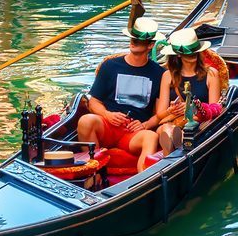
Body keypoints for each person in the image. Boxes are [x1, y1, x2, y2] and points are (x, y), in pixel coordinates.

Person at [75, 16, 178, 166]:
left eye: (138, 40)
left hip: (133, 132)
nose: (133, 42)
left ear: (150, 45)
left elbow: (158, 113)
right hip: (108, 126)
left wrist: (144, 125)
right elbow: (94, 102)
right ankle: (94, 171)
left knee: (150, 137)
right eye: (132, 38)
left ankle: (144, 180)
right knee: (86, 120)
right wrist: (107, 115)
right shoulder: (110, 66)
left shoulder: (158, 74)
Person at [156, 29, 228, 155]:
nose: (193, 54)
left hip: (200, 124)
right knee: (168, 130)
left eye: (195, 51)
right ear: (178, 54)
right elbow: (160, 115)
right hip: (172, 123)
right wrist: (171, 110)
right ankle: (172, 157)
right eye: (189, 52)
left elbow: (214, 111)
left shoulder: (211, 74)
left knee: (185, 133)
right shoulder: (167, 76)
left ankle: (175, 155)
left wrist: (192, 110)